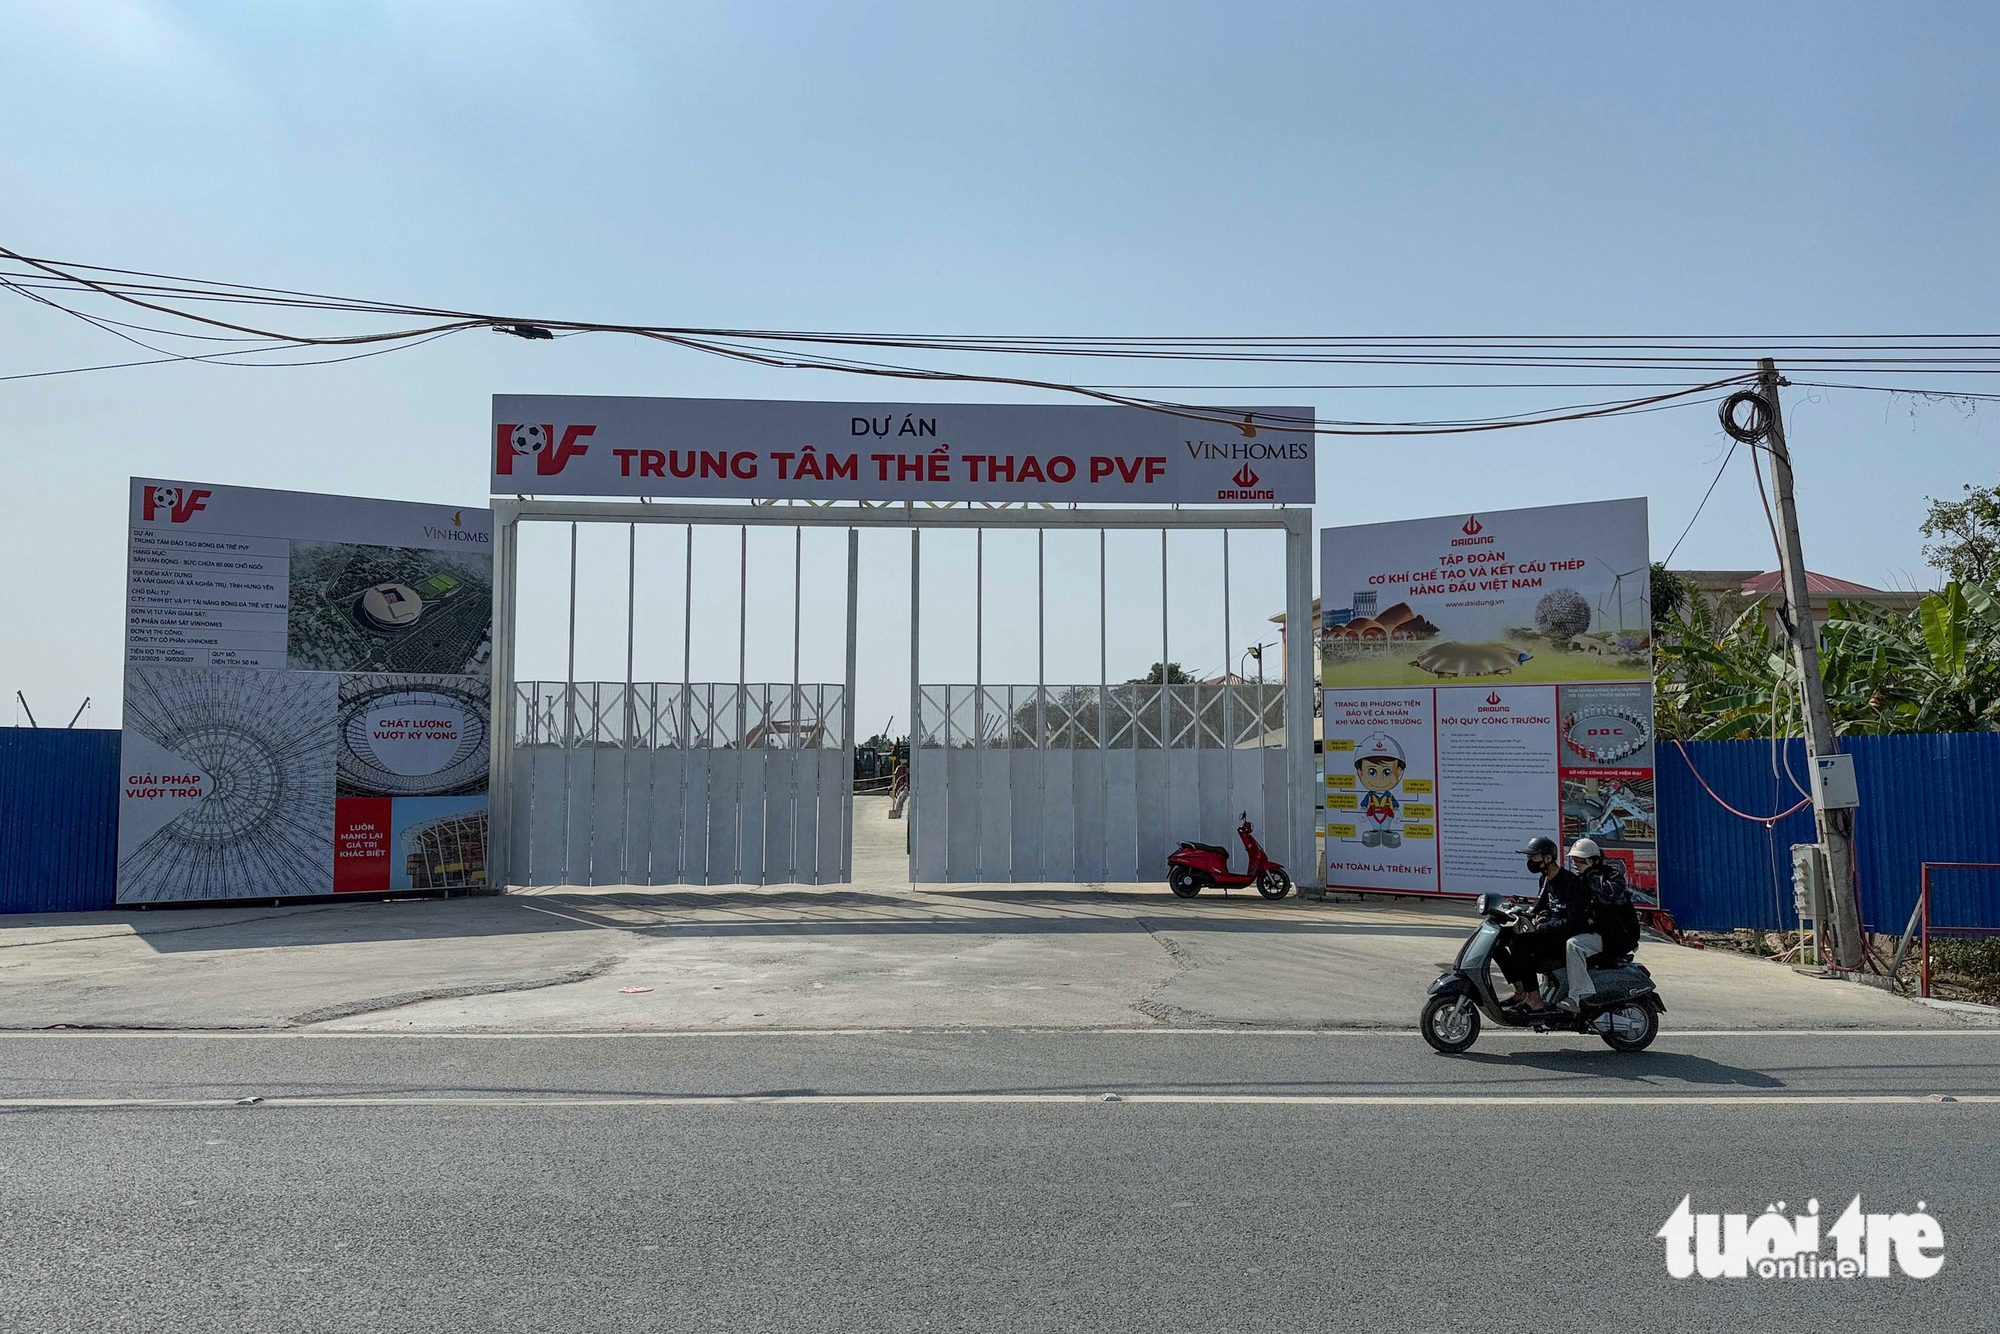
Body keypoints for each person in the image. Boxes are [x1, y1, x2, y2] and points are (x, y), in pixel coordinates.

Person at [1494, 836, 1591, 1019]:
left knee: (1521, 944)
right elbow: (1537, 906)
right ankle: (1521, 990)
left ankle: (1535, 1000)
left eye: (1534, 857)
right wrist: (1514, 912)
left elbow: (1573, 922)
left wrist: (1544, 926)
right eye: (1529, 858)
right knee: (1499, 939)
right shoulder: (1545, 880)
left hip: (1564, 937)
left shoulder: (1570, 882)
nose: (1530, 862)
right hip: (1550, 932)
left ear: (1548, 858)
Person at [1560, 837, 1642, 1011]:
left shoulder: (1611, 876)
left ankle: (1577, 996)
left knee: (1574, 946)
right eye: (1574, 860)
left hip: (1618, 936)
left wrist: (1590, 872)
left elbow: (1612, 894)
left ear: (1593, 860)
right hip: (1598, 932)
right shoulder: (1581, 879)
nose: (1576, 864)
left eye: (1581, 861)